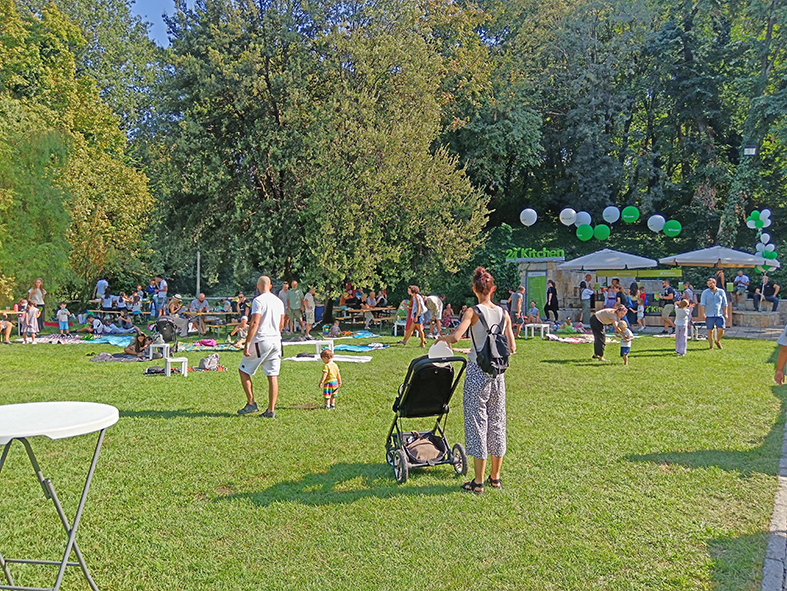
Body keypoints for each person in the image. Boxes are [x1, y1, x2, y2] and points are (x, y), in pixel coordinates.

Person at [438, 267, 516, 494]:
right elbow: (512, 347)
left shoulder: (472, 312)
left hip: (476, 371)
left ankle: (478, 482)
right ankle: (495, 478)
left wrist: (442, 338)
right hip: (497, 374)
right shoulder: (503, 313)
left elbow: (456, 337)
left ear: (474, 290)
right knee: (497, 422)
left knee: (477, 423)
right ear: (493, 289)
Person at [237, 275, 285, 419]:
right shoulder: (278, 301)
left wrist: (247, 343)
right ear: (270, 286)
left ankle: (251, 403)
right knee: (272, 375)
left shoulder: (258, 300)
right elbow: (282, 323)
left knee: (243, 370)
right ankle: (271, 410)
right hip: (276, 340)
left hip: (262, 340)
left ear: (258, 286)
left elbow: (254, 322)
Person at [700, 276, 728, 349]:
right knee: (710, 330)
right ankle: (711, 346)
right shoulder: (705, 293)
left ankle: (717, 341)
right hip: (709, 314)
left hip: (719, 313)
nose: (710, 285)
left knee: (721, 329)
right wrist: (703, 313)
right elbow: (702, 304)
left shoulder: (721, 292)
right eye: (708, 284)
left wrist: (726, 313)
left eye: (711, 284)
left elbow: (724, 304)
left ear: (715, 283)